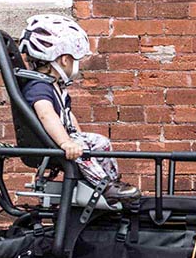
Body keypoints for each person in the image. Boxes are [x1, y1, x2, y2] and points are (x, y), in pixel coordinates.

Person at [18, 14, 140, 204]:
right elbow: (46, 114)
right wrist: (66, 142)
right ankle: (103, 185)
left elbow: (68, 116)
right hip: (54, 142)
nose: (77, 64)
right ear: (65, 60)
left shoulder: (55, 86)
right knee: (83, 150)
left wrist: (79, 136)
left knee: (101, 142)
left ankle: (113, 181)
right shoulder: (39, 87)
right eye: (76, 59)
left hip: (68, 137)